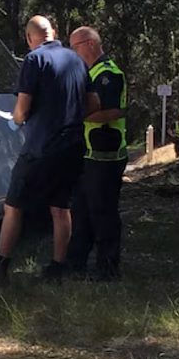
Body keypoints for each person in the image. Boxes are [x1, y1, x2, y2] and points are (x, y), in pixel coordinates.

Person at [0, 16, 99, 283]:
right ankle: (57, 268)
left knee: (13, 206)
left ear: (30, 39)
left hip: (41, 147)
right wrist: (70, 117)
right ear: (53, 33)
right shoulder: (76, 59)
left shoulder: (34, 59)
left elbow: (23, 107)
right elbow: (94, 103)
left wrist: (15, 120)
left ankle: (0, 265)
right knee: (61, 209)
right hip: (73, 146)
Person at [63, 27, 127, 281]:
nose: (72, 52)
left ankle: (107, 268)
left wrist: (77, 118)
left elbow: (113, 112)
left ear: (90, 44)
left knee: (103, 211)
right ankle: (76, 262)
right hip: (87, 155)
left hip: (105, 156)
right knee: (80, 210)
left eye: (75, 46)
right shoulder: (88, 73)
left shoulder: (108, 74)